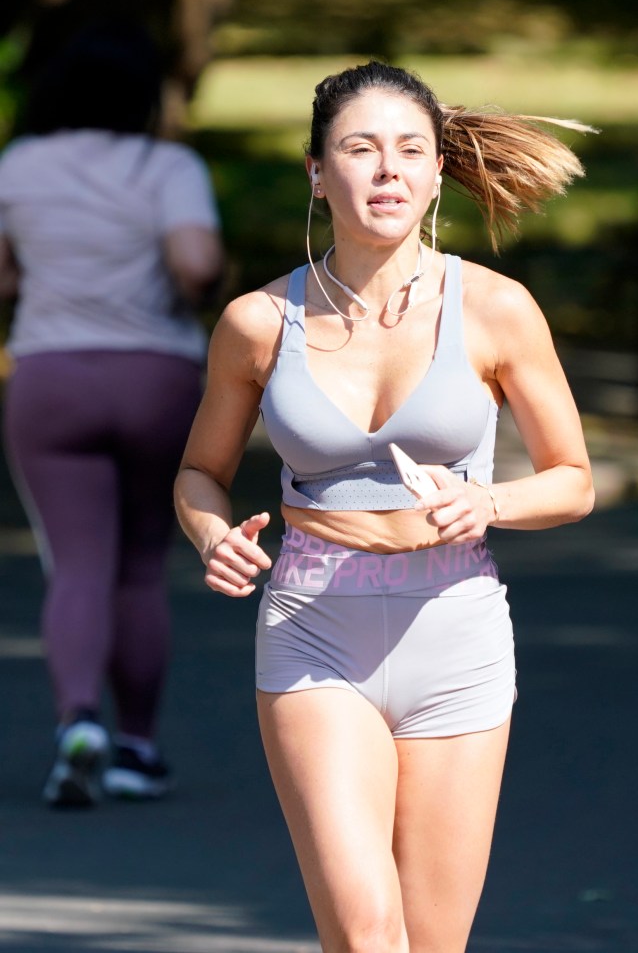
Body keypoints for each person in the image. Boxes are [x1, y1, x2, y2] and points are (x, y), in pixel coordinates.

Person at [174, 60, 594, 951]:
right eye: (359, 149)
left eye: (410, 150)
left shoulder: (495, 309)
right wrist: (212, 533)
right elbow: (198, 472)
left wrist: (487, 500)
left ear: (439, 171)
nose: (387, 170)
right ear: (317, 172)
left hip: (456, 629)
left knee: (431, 943)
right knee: (366, 935)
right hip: (313, 624)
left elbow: (573, 479)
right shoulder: (257, 322)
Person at [0, 20, 224, 807]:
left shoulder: (18, 166)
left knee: (76, 560)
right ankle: (136, 748)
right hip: (157, 377)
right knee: (139, 565)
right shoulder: (167, 165)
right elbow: (195, 263)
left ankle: (77, 721)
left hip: (51, 378)